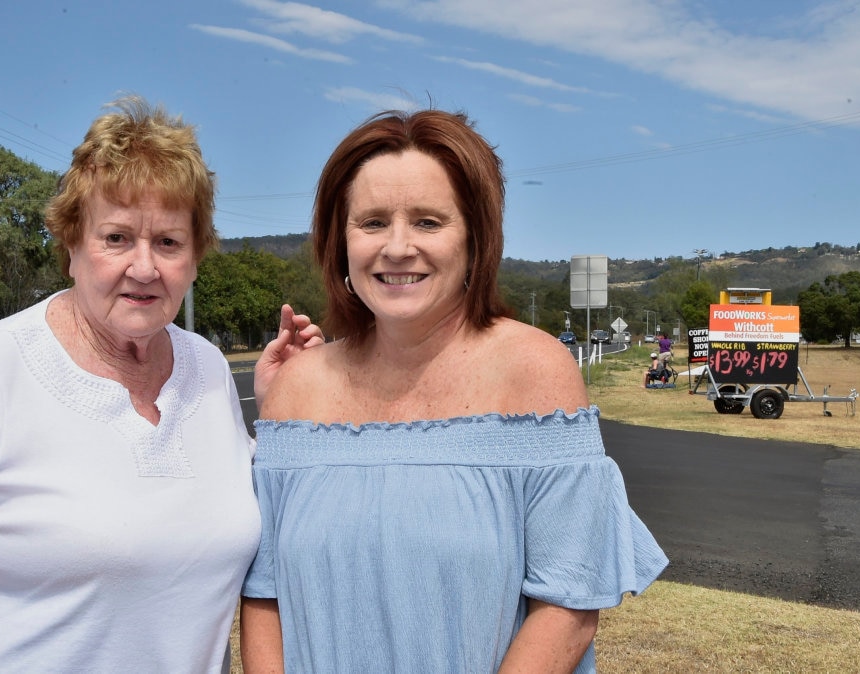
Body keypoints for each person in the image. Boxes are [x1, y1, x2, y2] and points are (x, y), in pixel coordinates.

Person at [0, 96, 320, 672]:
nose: (144, 267)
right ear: (71, 246)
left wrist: (284, 408)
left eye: (168, 242)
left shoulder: (209, 369)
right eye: (116, 238)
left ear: (194, 259)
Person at [240, 109, 668, 672]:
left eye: (427, 222)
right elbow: (264, 596)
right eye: (371, 222)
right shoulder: (297, 388)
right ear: (338, 240)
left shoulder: (536, 374)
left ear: (475, 238)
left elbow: (568, 605)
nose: (397, 247)